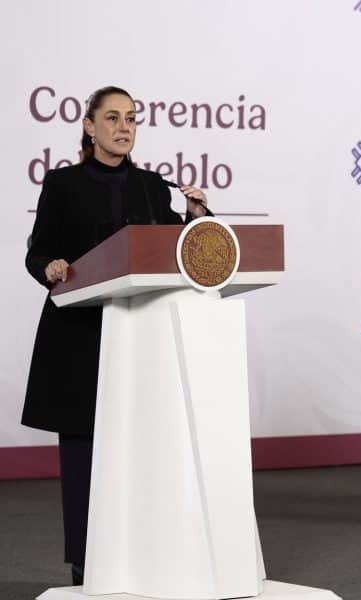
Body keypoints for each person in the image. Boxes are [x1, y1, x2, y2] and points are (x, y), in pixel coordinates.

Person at [22, 86, 210, 584]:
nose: (123, 127)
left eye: (130, 118)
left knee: (142, 448)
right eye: (112, 118)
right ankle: (86, 563)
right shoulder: (62, 183)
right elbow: (38, 251)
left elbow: (174, 252)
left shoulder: (152, 187)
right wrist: (50, 267)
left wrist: (196, 220)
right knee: (84, 453)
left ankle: (143, 554)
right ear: (89, 126)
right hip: (80, 337)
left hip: (140, 335)